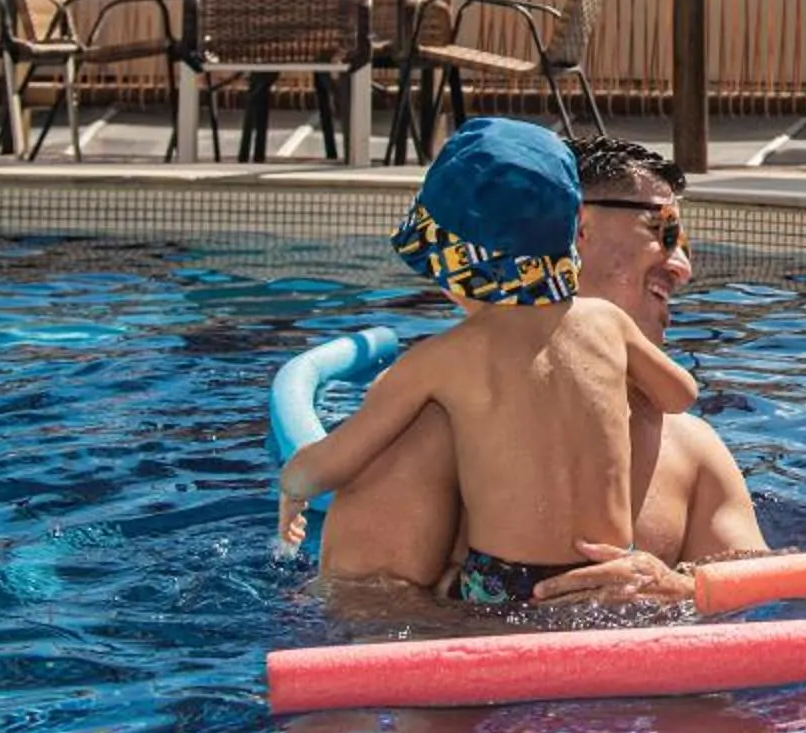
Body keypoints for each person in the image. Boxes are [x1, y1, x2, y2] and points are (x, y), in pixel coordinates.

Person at [315, 134, 770, 599]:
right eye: (665, 231)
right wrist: (499, 614)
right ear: (576, 228)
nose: (682, 266)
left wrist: (674, 591)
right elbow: (353, 620)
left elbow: (770, 607)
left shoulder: (691, 448)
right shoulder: (424, 423)